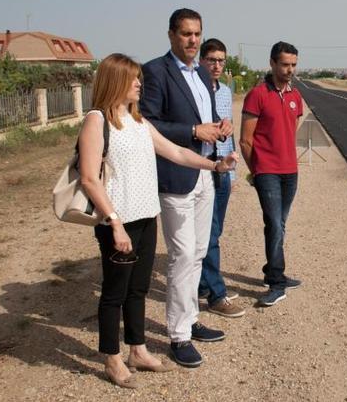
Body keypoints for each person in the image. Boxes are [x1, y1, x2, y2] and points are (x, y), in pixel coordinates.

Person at [78, 53, 237, 388]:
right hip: (118, 223)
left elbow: (177, 152)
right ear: (115, 81)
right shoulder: (97, 120)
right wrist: (115, 223)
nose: (139, 83)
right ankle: (112, 359)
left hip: (147, 216)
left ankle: (138, 350)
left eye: (139, 77)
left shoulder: (138, 122)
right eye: (133, 78)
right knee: (114, 293)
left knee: (138, 289)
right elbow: (90, 179)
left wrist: (216, 166)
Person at [139, 8, 233, 368]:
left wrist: (216, 127)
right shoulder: (156, 71)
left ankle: (191, 321)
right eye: (186, 34)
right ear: (171, 35)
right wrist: (195, 131)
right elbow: (149, 123)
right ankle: (178, 337)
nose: (192, 40)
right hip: (176, 178)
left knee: (197, 253)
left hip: (205, 174)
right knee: (180, 257)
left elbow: (200, 121)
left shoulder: (202, 76)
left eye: (197, 34)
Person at [240, 41, 304, 307]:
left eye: (293, 65)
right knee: (275, 224)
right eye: (285, 64)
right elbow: (246, 140)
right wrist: (256, 171)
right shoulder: (257, 94)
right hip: (267, 172)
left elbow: (292, 129)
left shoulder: (295, 96)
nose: (290, 70)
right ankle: (277, 283)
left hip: (291, 172)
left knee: (280, 224)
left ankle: (272, 271)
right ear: (272, 64)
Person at [197, 38, 246, 318]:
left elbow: (230, 130)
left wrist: (233, 170)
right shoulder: (195, 90)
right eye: (211, 59)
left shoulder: (226, 92)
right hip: (204, 167)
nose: (216, 65)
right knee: (210, 232)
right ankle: (217, 294)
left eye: (221, 60)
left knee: (215, 231)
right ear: (202, 61)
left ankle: (204, 284)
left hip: (224, 169)